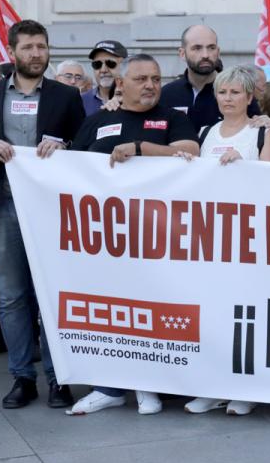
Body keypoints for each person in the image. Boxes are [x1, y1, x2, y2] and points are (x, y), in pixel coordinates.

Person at [66, 54, 199, 415]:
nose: (151, 85)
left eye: (156, 78)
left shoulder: (173, 119)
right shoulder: (98, 120)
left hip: (158, 238)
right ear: (120, 84)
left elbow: (189, 152)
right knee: (110, 311)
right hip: (106, 240)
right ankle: (108, 388)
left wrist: (140, 150)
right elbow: (72, 167)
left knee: (152, 310)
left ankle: (148, 386)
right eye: (141, 79)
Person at [0, 20, 84, 410]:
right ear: (12, 52)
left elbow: (83, 144)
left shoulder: (65, 96)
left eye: (42, 46)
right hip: (0, 205)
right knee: (11, 298)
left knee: (52, 297)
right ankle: (23, 377)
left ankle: (59, 379)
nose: (36, 54)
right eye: (28, 48)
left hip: (50, 210)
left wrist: (65, 145)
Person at [181, 66, 270, 417]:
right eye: (223, 92)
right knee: (213, 312)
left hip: (250, 236)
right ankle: (214, 386)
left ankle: (244, 388)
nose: (228, 98)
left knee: (246, 314)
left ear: (250, 97)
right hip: (211, 237)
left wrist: (244, 164)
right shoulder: (206, 131)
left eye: (236, 92)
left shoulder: (263, 132)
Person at [160, 25, 258, 130]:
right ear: (182, 53)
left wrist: (266, 124)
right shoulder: (166, 94)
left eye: (211, 48)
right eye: (197, 48)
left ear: (218, 52)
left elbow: (258, 133)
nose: (205, 55)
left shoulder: (237, 93)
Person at [81, 39, 126, 115]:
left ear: (124, 66)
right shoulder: (81, 101)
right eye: (97, 64)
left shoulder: (136, 100)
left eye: (110, 63)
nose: (103, 70)